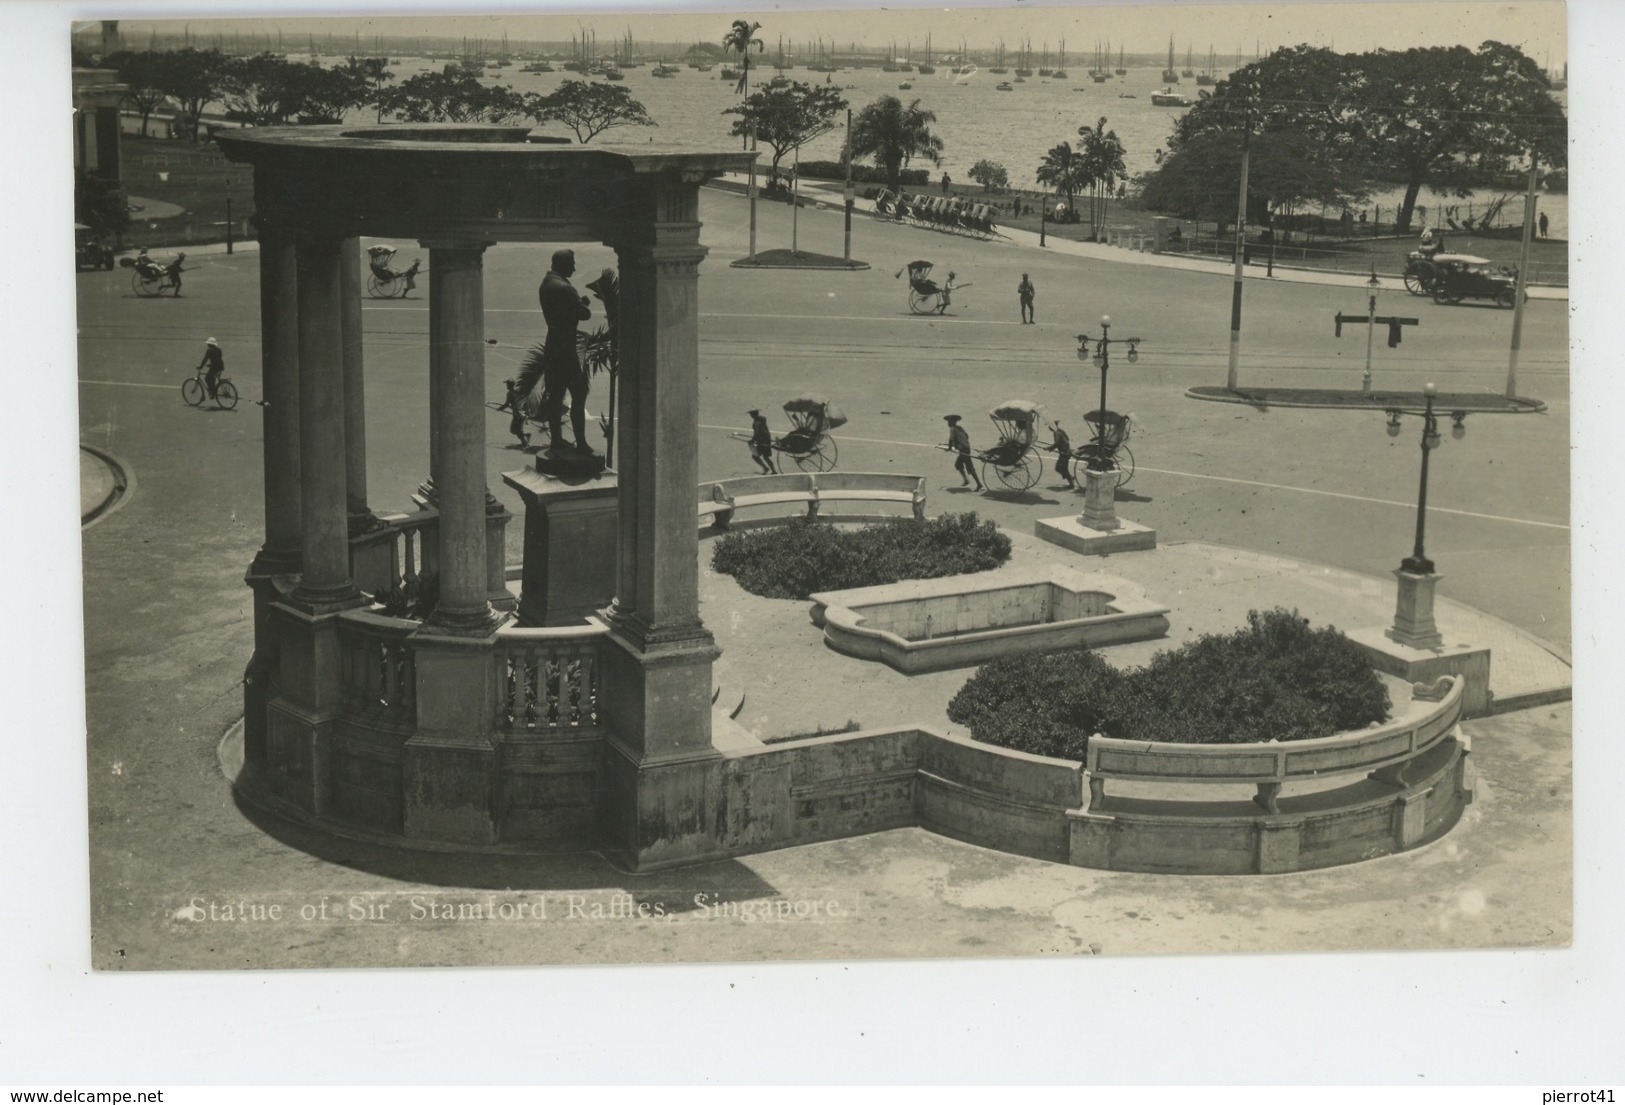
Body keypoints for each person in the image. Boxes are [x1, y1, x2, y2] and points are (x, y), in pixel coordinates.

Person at [537, 248, 594, 454]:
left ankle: (556, 441)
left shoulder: (546, 283)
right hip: (565, 347)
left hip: (552, 344)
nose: (574, 267)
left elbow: (567, 312)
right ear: (562, 264)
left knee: (556, 393)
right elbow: (584, 314)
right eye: (571, 263)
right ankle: (581, 442)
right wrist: (583, 304)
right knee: (579, 391)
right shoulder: (565, 288)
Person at [944, 414, 983, 490]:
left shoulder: (952, 429)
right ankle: (970, 481)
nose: (948, 423)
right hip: (966, 448)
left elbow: (951, 439)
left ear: (952, 422)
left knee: (965, 466)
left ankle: (977, 483)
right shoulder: (960, 428)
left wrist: (949, 447)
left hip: (963, 449)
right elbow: (967, 436)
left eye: (949, 422)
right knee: (961, 465)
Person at [498, 378, 529, 448]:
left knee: (516, 430)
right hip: (522, 413)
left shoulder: (510, 393)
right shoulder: (518, 391)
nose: (506, 386)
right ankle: (526, 436)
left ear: (510, 385)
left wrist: (500, 408)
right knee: (514, 430)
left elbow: (507, 404)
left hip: (518, 414)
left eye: (507, 384)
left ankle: (525, 444)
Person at [748, 409, 777, 475]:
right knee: (766, 457)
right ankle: (773, 470)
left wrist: (752, 441)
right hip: (767, 440)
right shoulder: (762, 420)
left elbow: (756, 433)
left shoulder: (756, 423)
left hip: (762, 441)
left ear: (752, 415)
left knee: (755, 456)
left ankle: (766, 468)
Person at [1051, 420, 1074, 488]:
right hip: (1066, 451)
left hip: (1064, 453)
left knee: (1059, 468)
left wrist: (1050, 448)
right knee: (1063, 468)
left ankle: (1071, 479)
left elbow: (1057, 443)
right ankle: (1071, 481)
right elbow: (1067, 439)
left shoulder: (1056, 433)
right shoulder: (1061, 431)